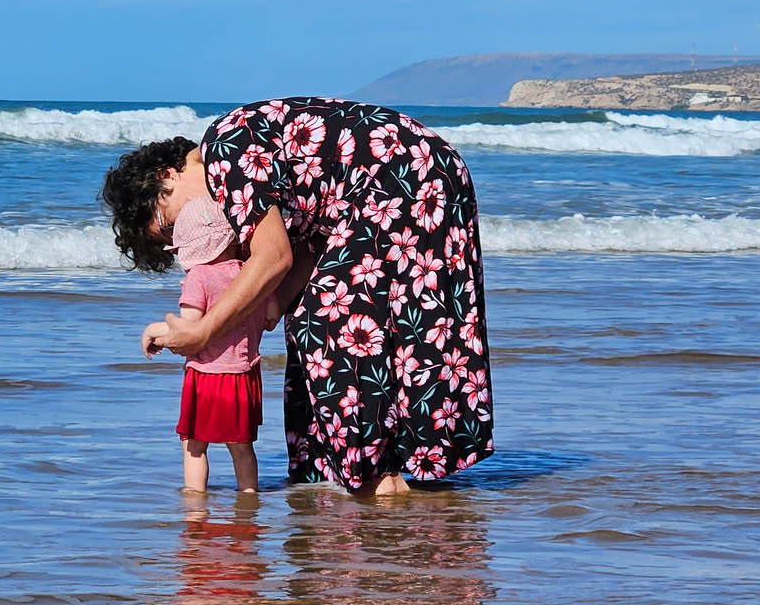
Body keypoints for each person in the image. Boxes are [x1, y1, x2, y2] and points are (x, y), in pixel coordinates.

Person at [101, 99, 493, 495]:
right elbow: (311, 242)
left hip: (409, 173)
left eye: (167, 224)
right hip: (414, 171)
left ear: (165, 175)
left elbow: (274, 257)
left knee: (324, 318)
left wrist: (204, 333)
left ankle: (378, 478)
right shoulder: (227, 166)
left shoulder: (222, 154)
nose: (181, 233)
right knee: (308, 316)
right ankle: (344, 472)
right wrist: (271, 307)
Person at [142, 195, 271, 494]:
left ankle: (195, 502)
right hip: (246, 375)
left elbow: (189, 326)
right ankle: (249, 498)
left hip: (208, 376)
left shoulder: (199, 276)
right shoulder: (251, 273)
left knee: (194, 445)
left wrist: (153, 330)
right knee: (241, 446)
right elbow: (271, 316)